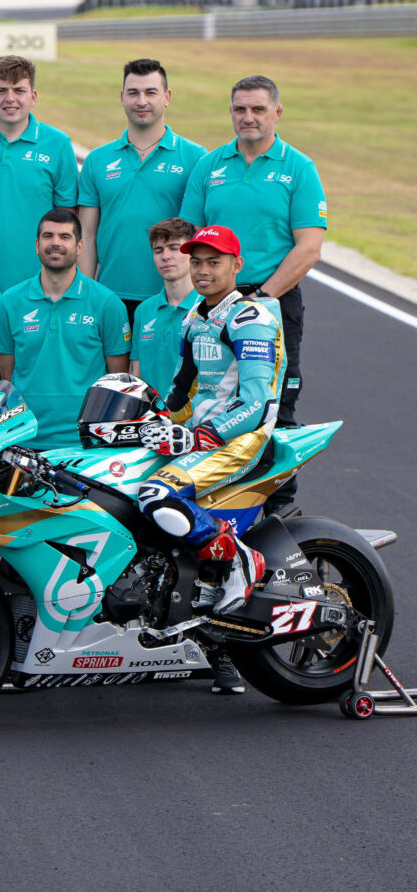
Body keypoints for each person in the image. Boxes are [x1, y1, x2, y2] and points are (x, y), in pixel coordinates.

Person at [135, 224, 286, 695]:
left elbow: (258, 401)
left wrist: (210, 432)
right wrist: (149, 420)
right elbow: (183, 390)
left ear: (236, 266)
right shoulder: (194, 319)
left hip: (240, 442)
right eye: (196, 261)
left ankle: (240, 560)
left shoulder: (248, 318)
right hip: (203, 439)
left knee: (156, 495)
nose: (202, 270)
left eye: (213, 261)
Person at [180, 74, 325, 430]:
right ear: (230, 112)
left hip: (273, 303)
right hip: (212, 304)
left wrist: (260, 298)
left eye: (258, 109)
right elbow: (189, 236)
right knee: (209, 398)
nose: (248, 117)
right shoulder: (209, 166)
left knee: (275, 404)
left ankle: (277, 488)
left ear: (277, 112)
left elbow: (309, 249)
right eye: (240, 109)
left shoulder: (299, 168)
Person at [0, 208, 130, 449]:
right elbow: (7, 379)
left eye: (65, 237)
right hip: (24, 438)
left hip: (86, 441)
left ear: (80, 246)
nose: (55, 243)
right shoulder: (9, 302)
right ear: (36, 244)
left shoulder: (107, 303)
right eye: (48, 236)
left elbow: (117, 381)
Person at [76, 59, 206, 316]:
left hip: (174, 300)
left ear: (167, 97)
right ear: (122, 97)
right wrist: (86, 295)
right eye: (133, 93)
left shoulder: (195, 157)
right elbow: (87, 236)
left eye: (151, 92)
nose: (141, 101)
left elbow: (200, 233)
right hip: (110, 298)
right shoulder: (97, 160)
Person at [0, 56, 78, 291]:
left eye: (19, 90)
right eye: (1, 91)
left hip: (39, 286)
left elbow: (68, 221)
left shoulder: (58, 144)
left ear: (33, 97)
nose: (10, 99)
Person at [131, 218, 201, 402]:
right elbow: (136, 373)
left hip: (196, 423)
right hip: (151, 422)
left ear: (192, 254)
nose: (165, 256)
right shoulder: (143, 311)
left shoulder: (210, 307)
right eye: (158, 250)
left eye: (174, 248)